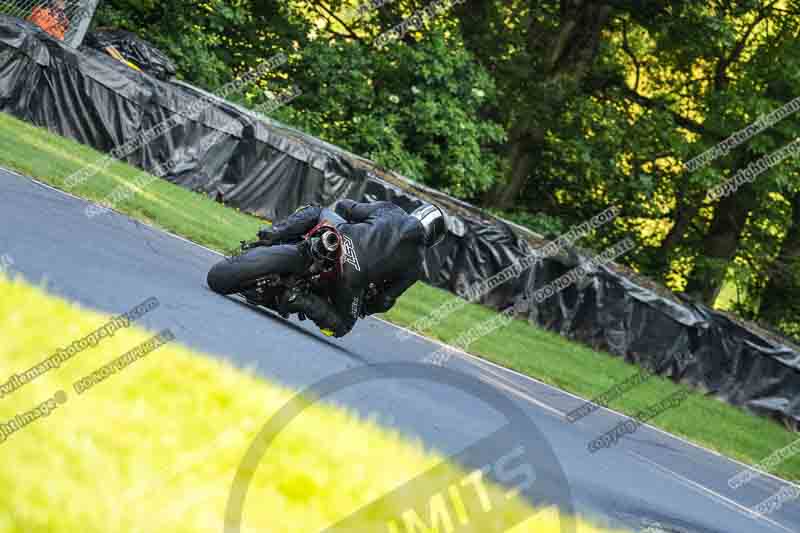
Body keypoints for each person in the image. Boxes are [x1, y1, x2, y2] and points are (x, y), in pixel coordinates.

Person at [256, 200, 446, 337]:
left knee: (317, 211)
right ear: (434, 238)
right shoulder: (416, 265)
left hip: (342, 238)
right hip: (353, 278)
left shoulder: (391, 209)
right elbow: (385, 300)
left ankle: (273, 233)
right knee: (342, 326)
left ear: (418, 211)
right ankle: (299, 299)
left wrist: (348, 221)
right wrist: (365, 308)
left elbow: (347, 206)